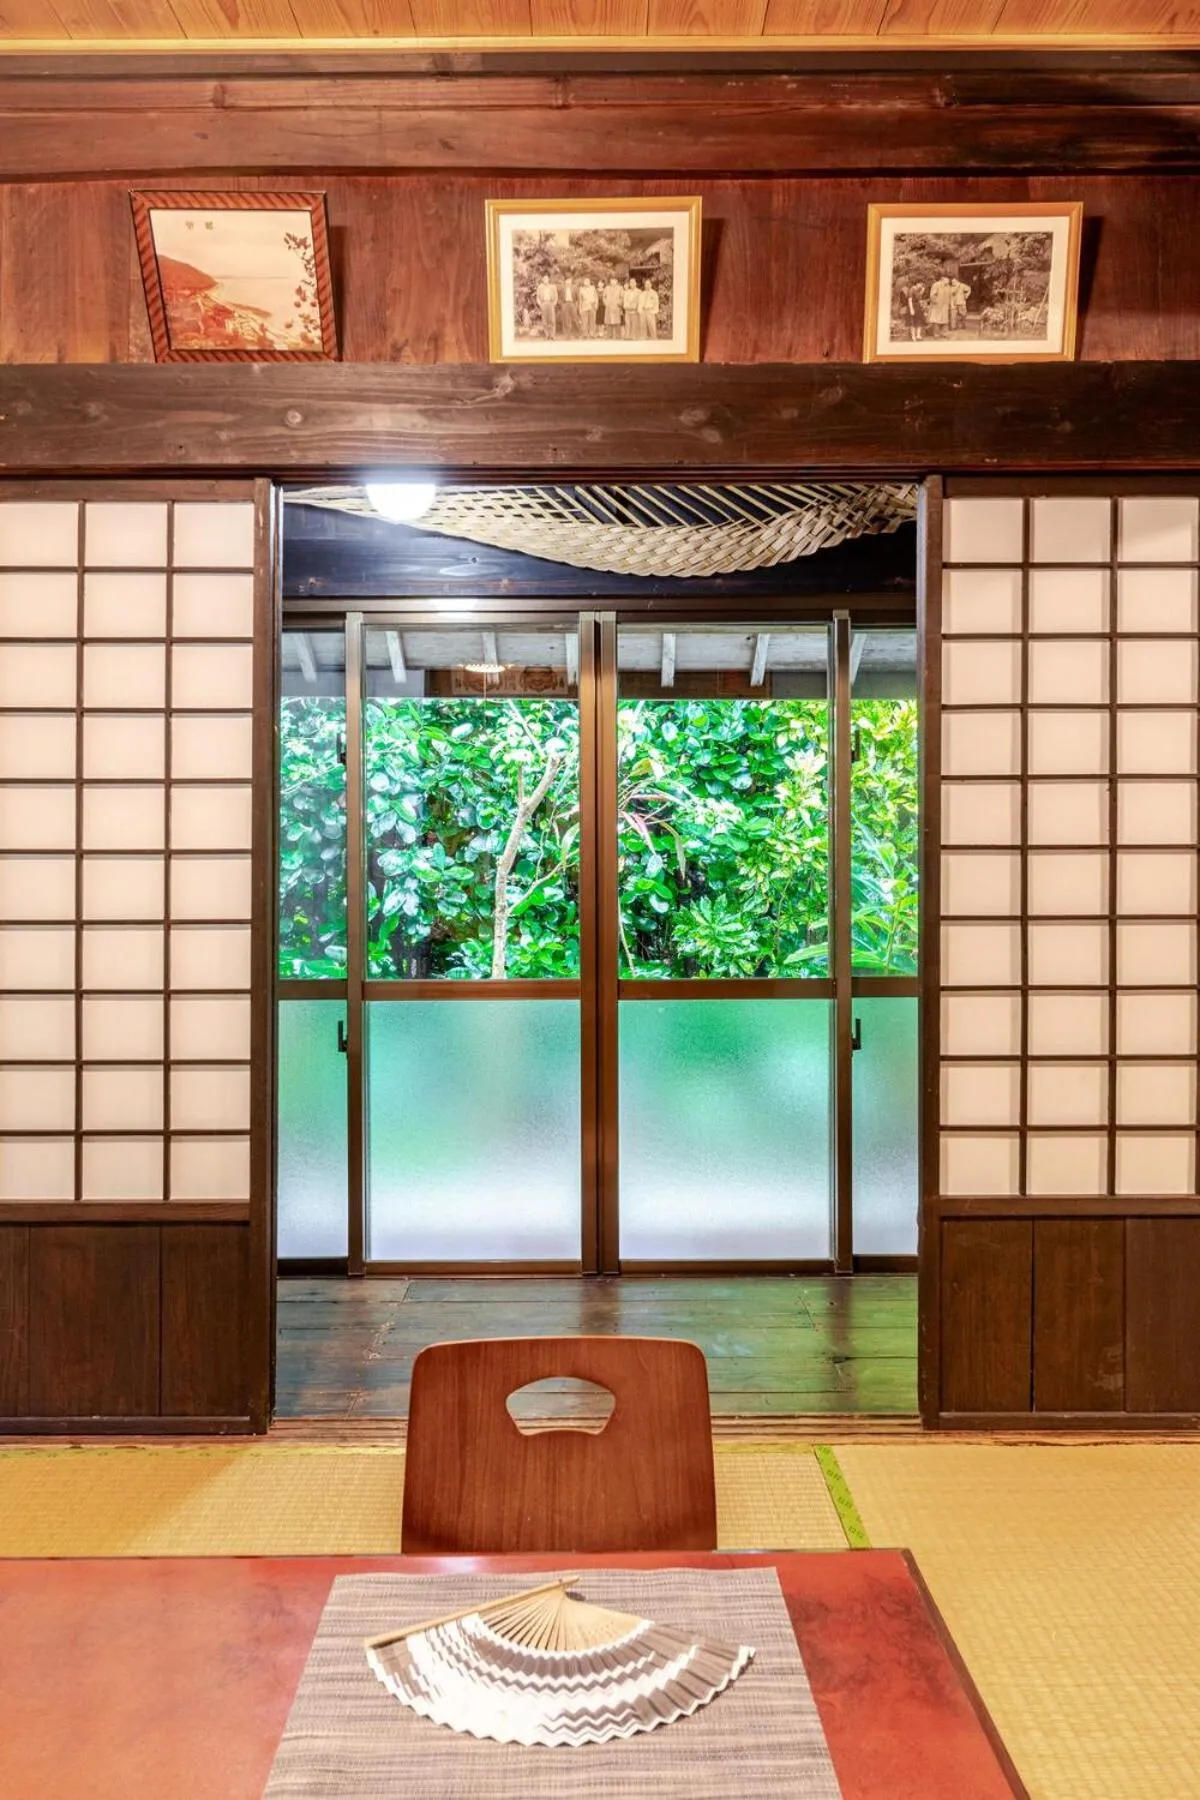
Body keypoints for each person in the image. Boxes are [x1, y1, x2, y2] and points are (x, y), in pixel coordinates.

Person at [926, 268, 954, 338]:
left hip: (945, 306)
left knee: (945, 320)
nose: (949, 280)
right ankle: (936, 334)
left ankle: (945, 333)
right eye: (947, 279)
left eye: (949, 279)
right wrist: (936, 302)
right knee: (936, 320)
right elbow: (932, 295)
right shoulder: (936, 285)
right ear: (942, 278)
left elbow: (950, 296)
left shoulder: (948, 287)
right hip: (937, 306)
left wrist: (951, 304)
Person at [535, 275, 558, 340]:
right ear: (543, 280)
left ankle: (552, 335)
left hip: (551, 303)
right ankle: (547, 335)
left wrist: (555, 302)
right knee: (545, 320)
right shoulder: (540, 287)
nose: (546, 280)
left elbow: (556, 295)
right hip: (544, 303)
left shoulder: (552, 287)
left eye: (547, 279)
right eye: (544, 279)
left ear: (548, 280)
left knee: (552, 320)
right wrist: (540, 304)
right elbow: (538, 297)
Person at [602, 275, 623, 339]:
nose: (613, 282)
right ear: (610, 281)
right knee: (608, 322)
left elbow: (622, 297)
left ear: (616, 281)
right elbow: (604, 297)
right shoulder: (607, 288)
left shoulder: (620, 288)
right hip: (609, 307)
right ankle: (609, 335)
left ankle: (618, 336)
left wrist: (618, 303)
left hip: (616, 307)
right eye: (612, 280)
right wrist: (606, 303)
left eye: (614, 280)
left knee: (617, 322)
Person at [578, 275, 598, 339]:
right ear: (584, 282)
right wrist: (580, 308)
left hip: (592, 305)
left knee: (592, 320)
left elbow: (596, 297)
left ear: (589, 282)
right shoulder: (581, 289)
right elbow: (580, 300)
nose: (586, 282)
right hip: (585, 305)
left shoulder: (593, 288)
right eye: (585, 281)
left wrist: (596, 304)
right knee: (584, 321)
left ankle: (592, 334)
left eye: (588, 281)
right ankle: (585, 334)